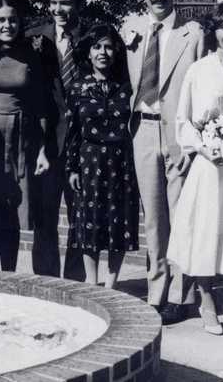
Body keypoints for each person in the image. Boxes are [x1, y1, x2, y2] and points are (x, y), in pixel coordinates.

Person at [120, 0, 205, 324]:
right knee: (153, 218)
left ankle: (180, 295)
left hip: (178, 135)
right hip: (142, 129)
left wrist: (192, 139)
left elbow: (200, 88)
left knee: (180, 215)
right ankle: (156, 290)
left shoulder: (192, 33)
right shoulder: (133, 31)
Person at [167, 2, 223, 335]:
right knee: (207, 232)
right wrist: (203, 147)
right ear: (214, 31)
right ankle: (207, 302)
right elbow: (183, 120)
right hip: (209, 163)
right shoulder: (199, 70)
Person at [0, 0, 50, 271]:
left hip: (21, 138)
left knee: (13, 210)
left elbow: (40, 103)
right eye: (1, 20)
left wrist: (42, 149)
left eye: (13, 19)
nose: (8, 25)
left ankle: (9, 277)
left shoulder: (31, 53)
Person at [65, 24, 140, 287]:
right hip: (89, 161)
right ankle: (91, 281)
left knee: (118, 222)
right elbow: (73, 131)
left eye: (108, 46)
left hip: (121, 162)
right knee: (90, 220)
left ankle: (111, 284)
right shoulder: (78, 87)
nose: (103, 52)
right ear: (88, 53)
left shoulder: (127, 87)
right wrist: (72, 168)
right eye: (97, 47)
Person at [26, 0, 88, 279]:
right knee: (44, 218)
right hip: (46, 142)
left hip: (83, 142)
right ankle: (47, 284)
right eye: (53, 2)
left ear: (78, 4)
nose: (58, 8)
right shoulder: (35, 37)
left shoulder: (92, 37)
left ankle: (76, 284)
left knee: (80, 218)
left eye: (65, 2)